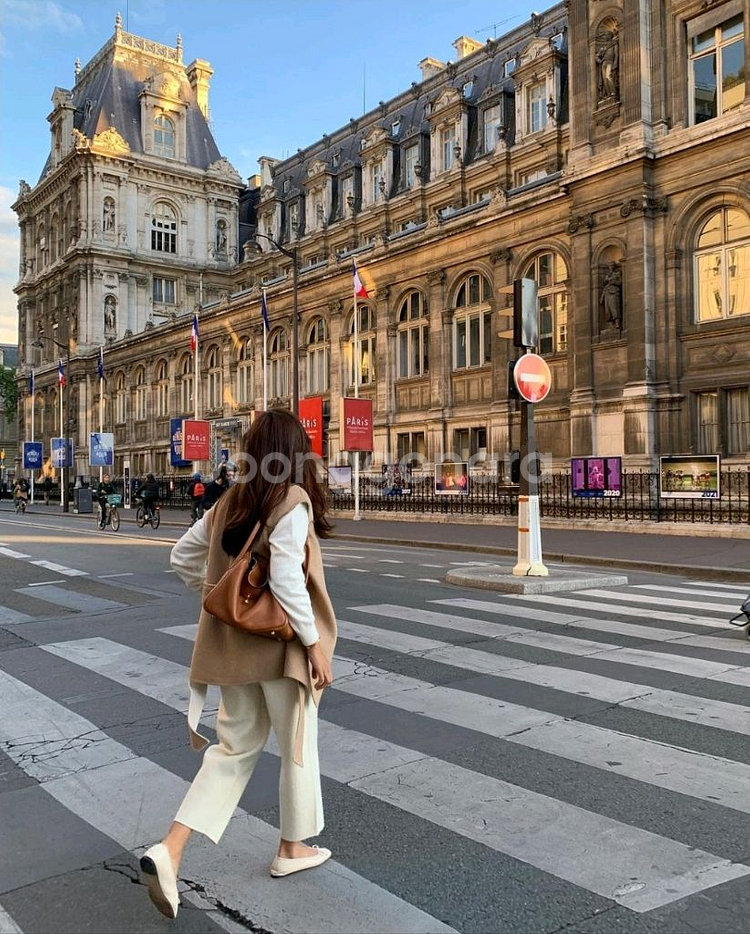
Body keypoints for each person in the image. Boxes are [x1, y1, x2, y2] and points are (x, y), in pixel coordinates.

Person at [139, 410, 336, 920]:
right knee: (296, 740)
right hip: (279, 648)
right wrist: (314, 644)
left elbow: (181, 558)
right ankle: (292, 849)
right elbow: (290, 582)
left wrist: (225, 601)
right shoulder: (291, 502)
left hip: (233, 650)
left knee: (232, 749)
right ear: (296, 454)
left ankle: (170, 849)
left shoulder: (230, 501)